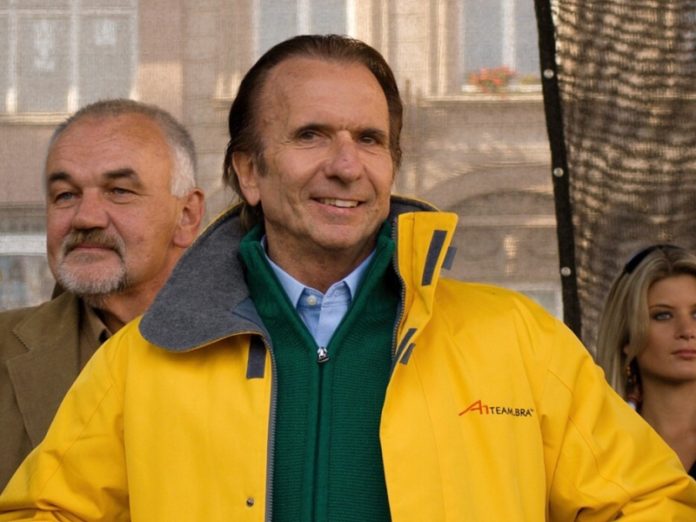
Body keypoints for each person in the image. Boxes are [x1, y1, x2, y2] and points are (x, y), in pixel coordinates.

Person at [1, 35, 695, 520]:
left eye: (369, 139)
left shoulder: (518, 340)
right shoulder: (142, 359)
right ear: (249, 171)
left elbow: (648, 503)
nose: (345, 165)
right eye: (311, 136)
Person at [0, 99, 204, 488]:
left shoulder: (259, 346)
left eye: (119, 191)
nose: (85, 217)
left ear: (187, 215)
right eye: (65, 195)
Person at [597, 244, 696, 480]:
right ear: (627, 336)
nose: (687, 331)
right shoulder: (599, 444)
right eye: (663, 315)